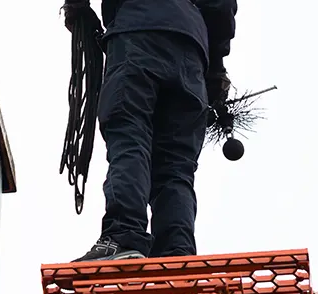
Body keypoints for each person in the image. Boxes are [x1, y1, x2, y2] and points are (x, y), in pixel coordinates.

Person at [69, 0, 238, 262]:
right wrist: (215, 68)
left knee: (129, 136)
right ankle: (177, 254)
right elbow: (221, 5)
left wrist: (77, 8)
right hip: (191, 52)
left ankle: (123, 236)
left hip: (137, 35)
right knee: (176, 165)